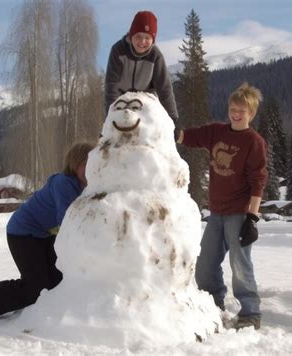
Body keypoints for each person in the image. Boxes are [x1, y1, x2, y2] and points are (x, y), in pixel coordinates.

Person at [0, 141, 95, 318]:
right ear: (75, 163)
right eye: (86, 164)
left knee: (57, 279)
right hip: (22, 233)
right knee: (35, 287)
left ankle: (46, 313)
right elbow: (67, 222)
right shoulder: (65, 183)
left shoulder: (84, 186)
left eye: (94, 164)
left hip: (44, 234)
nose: (91, 169)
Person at [176, 82, 267, 330]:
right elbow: (189, 137)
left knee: (240, 264)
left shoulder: (253, 141)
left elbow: (258, 180)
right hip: (216, 213)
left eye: (242, 111)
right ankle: (213, 306)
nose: (236, 114)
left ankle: (250, 313)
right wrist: (169, 130)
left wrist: (252, 217)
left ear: (251, 113)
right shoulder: (217, 132)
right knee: (205, 265)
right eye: (233, 109)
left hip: (239, 213)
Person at [105, 10, 178, 127]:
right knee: (117, 128)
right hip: (121, 99)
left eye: (147, 38)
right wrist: (110, 116)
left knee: (151, 128)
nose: (142, 42)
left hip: (146, 100)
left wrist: (173, 119)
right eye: (138, 36)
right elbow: (112, 85)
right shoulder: (118, 51)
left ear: (153, 40)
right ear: (131, 34)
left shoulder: (156, 56)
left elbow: (165, 89)